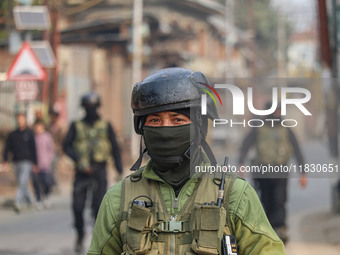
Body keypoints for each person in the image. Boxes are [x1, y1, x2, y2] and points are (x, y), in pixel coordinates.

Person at [87, 68, 285, 255]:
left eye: (177, 120)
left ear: (199, 127)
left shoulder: (235, 196)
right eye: (155, 121)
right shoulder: (118, 199)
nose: (165, 130)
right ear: (142, 128)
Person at [238, 102, 307, 243]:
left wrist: (303, 173)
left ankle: (280, 228)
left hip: (280, 171)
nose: (277, 113)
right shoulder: (259, 128)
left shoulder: (286, 129)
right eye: (275, 110)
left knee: (279, 200)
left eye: (279, 110)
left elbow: (296, 149)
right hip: (263, 171)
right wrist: (241, 163)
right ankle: (269, 229)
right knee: (266, 200)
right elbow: (246, 144)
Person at [63, 92, 123, 253]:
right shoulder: (76, 125)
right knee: (77, 207)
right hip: (82, 172)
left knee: (98, 208)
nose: (90, 110)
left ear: (98, 108)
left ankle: (98, 243)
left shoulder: (105, 125)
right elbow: (66, 145)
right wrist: (78, 160)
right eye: (87, 107)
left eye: (93, 107)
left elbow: (115, 147)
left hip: (99, 170)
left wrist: (119, 169)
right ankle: (80, 234)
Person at [2, 112, 37, 212]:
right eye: (18, 119)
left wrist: (35, 163)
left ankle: (18, 202)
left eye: (21, 119)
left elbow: (33, 149)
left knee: (22, 182)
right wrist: (5, 160)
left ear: (25, 120)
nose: (20, 121)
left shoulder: (29, 134)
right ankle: (30, 201)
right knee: (22, 183)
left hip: (27, 161)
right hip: (16, 162)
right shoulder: (13, 135)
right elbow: (7, 148)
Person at [32, 120, 55, 209]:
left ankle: (47, 196)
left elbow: (51, 150)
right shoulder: (32, 137)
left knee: (46, 182)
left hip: (45, 164)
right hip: (35, 165)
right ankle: (38, 200)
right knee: (36, 183)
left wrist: (48, 160)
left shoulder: (47, 137)